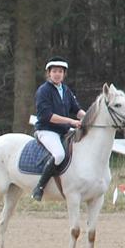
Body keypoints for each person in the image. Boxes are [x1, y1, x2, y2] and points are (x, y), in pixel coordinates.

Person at [32, 56, 86, 201]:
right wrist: (71, 122)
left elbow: (77, 109)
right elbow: (46, 116)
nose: (57, 74)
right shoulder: (43, 90)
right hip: (47, 130)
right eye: (54, 71)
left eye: (60, 71)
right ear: (49, 73)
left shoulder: (66, 90)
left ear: (64, 74)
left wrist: (88, 118)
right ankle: (40, 187)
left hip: (63, 131)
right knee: (59, 155)